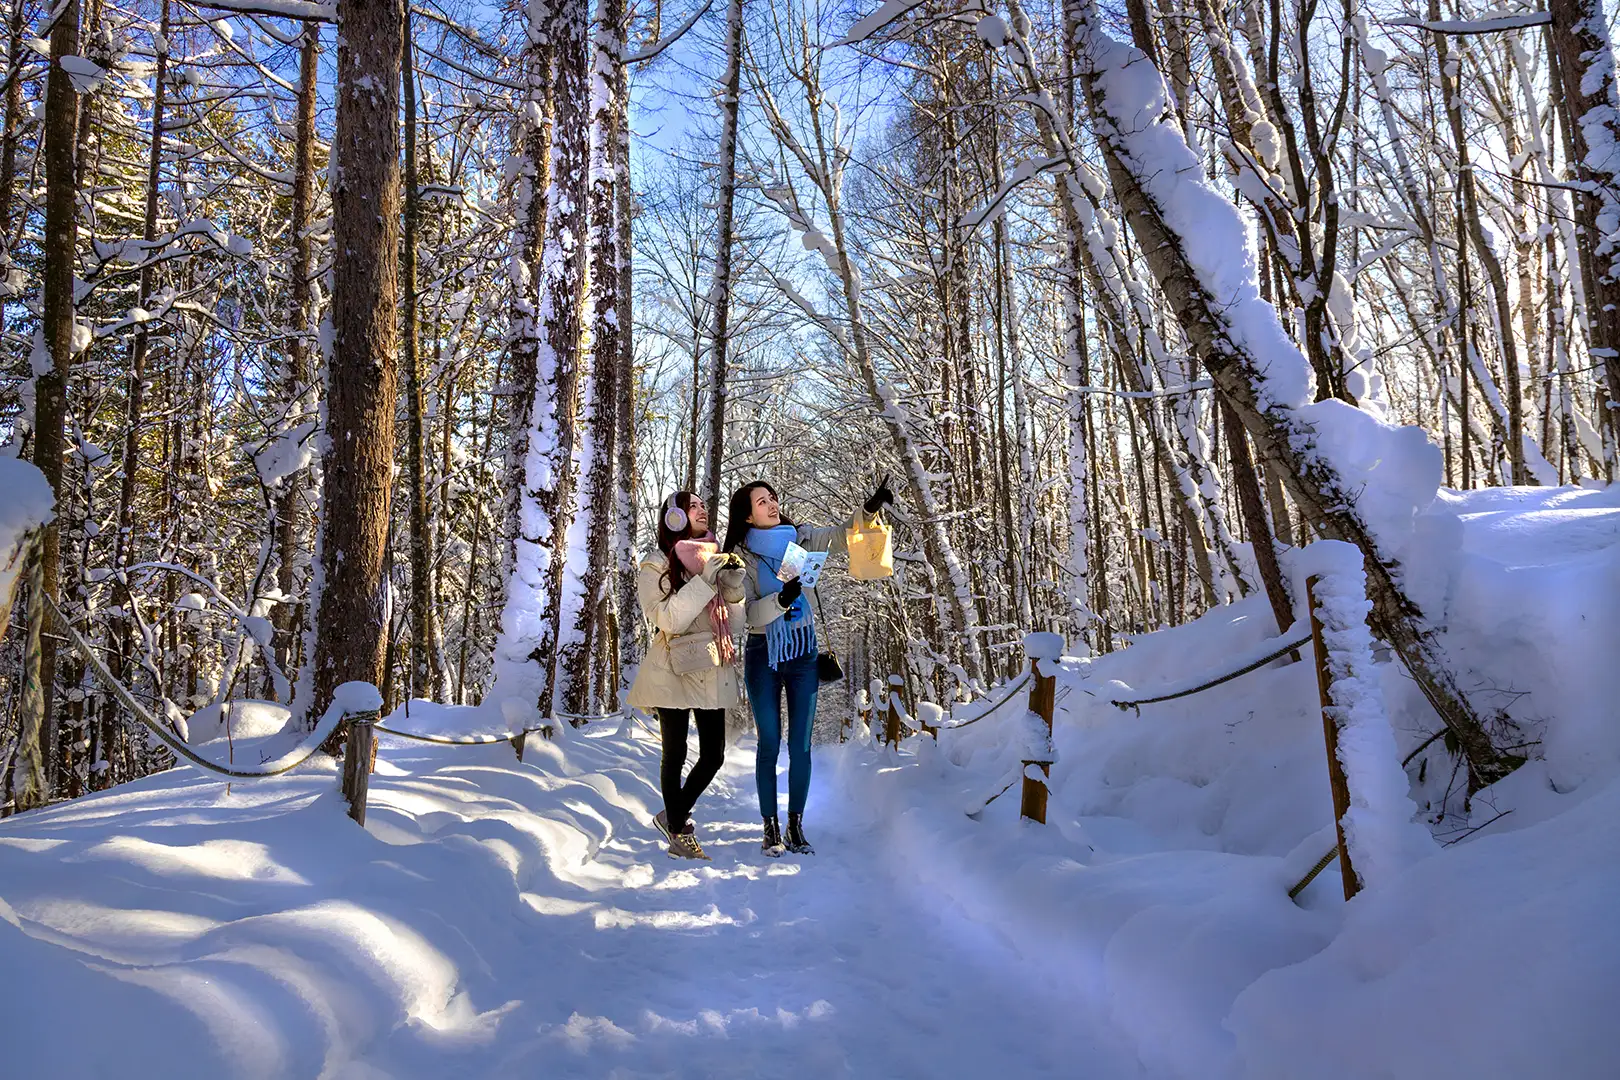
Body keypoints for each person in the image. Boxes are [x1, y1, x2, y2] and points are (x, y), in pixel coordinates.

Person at [723, 476, 895, 856]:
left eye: (772, 498)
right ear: (748, 517)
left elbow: (840, 535)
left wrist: (869, 508)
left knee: (800, 745)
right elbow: (747, 614)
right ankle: (770, 828)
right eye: (761, 501)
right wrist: (781, 600)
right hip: (763, 651)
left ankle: (795, 825)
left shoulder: (799, 537)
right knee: (770, 743)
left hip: (803, 651)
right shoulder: (741, 556)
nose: (771, 504)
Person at [627, 491, 747, 860]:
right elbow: (668, 619)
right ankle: (679, 832)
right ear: (674, 518)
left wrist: (734, 588)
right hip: (671, 669)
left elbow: (736, 626)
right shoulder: (655, 564)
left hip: (711, 663)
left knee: (713, 754)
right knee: (674, 753)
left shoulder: (714, 560)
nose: (702, 511)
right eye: (692, 506)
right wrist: (706, 581)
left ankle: (671, 815)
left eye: (703, 506)